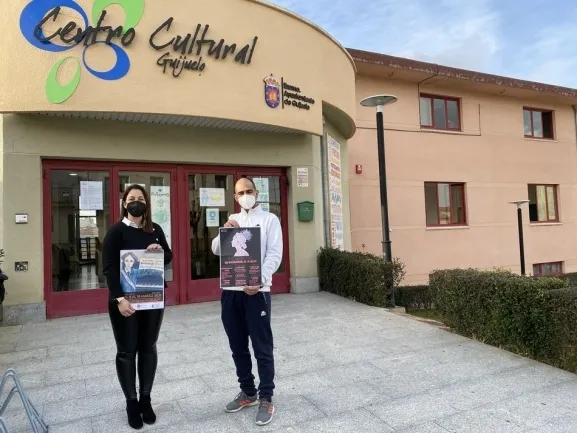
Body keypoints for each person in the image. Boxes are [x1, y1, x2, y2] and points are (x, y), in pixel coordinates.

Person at [211, 177, 283, 426]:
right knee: (237, 346)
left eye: (249, 191)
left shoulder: (270, 219)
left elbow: (275, 254)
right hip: (231, 292)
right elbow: (216, 250)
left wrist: (260, 279)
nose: (245, 196)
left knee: (262, 347)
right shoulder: (233, 219)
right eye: (240, 193)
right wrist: (225, 231)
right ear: (235, 197)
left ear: (257, 192)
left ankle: (266, 397)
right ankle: (248, 392)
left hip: (257, 292)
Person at [102, 184, 172, 430]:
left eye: (140, 199)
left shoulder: (155, 230)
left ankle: (145, 399)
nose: (136, 202)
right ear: (124, 203)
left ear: (146, 204)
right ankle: (131, 402)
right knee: (127, 351)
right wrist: (119, 299)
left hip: (151, 299)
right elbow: (109, 268)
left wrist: (159, 250)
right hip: (125, 302)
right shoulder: (116, 232)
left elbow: (168, 256)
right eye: (131, 198)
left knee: (148, 348)